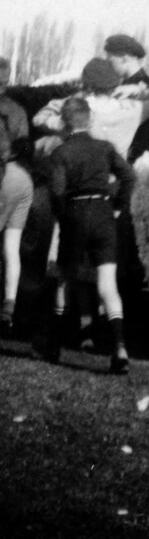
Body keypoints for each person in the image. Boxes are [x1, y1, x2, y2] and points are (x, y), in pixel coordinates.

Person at [41, 96, 135, 374]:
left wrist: (62, 215)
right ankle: (119, 348)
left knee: (63, 281)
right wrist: (117, 206)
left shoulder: (60, 153)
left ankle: (54, 344)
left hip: (75, 212)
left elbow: (57, 191)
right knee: (108, 285)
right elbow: (129, 176)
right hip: (104, 213)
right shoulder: (105, 147)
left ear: (64, 123)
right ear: (90, 119)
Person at [0, 64, 34, 337]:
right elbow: (24, 145)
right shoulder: (18, 109)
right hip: (20, 177)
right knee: (11, 247)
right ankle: (9, 307)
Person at [104, 33, 149, 161]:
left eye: (110, 59)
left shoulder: (140, 87)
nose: (108, 64)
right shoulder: (131, 84)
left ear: (123, 58)